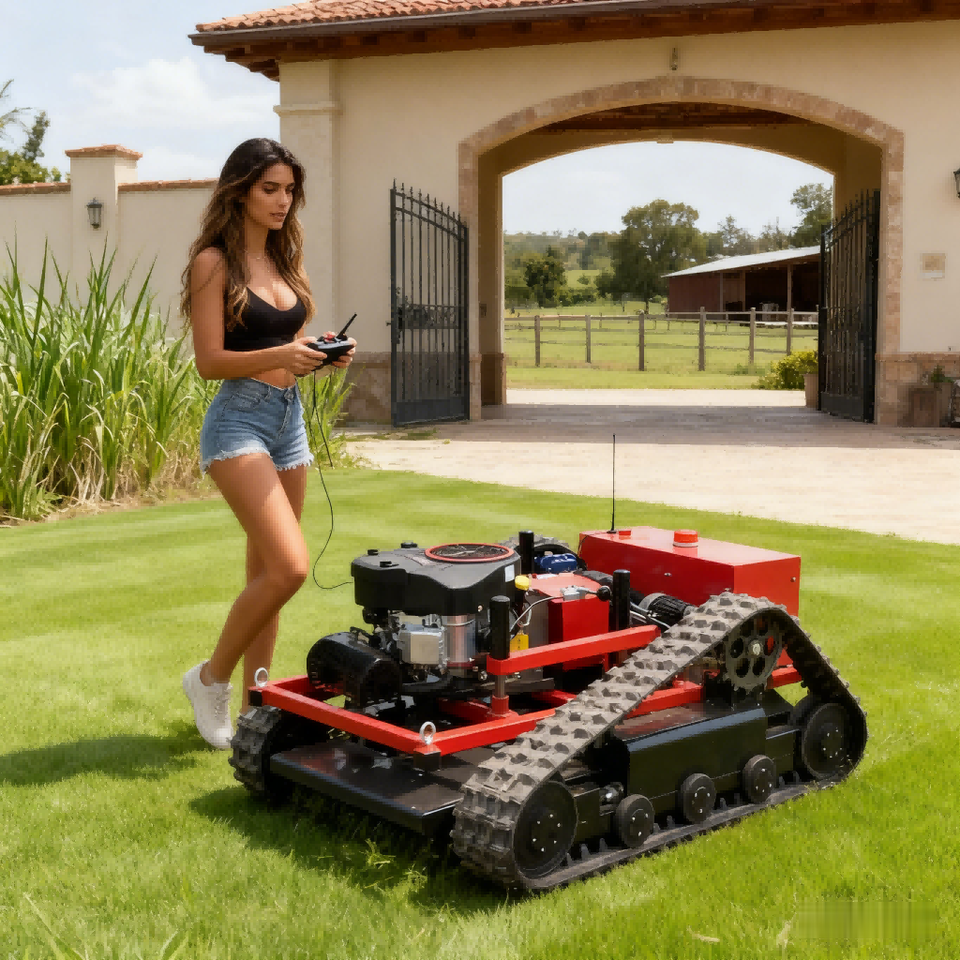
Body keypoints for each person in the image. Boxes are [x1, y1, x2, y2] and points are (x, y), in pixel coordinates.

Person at [179, 138, 355, 749]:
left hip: (289, 421)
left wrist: (319, 354)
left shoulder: (285, 259)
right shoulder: (213, 263)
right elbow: (209, 361)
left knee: (267, 579)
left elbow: (288, 341)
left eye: (289, 191)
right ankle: (209, 679)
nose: (282, 201)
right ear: (241, 191)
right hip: (239, 422)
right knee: (290, 567)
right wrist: (283, 353)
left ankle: (258, 707)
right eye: (269, 189)